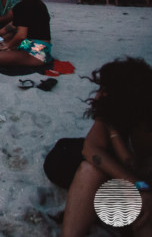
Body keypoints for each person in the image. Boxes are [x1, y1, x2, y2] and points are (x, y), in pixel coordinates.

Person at [61, 57, 152, 237]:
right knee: (89, 169)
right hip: (135, 185)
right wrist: (139, 186)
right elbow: (91, 149)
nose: (98, 95)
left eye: (104, 91)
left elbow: (131, 163)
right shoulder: (115, 114)